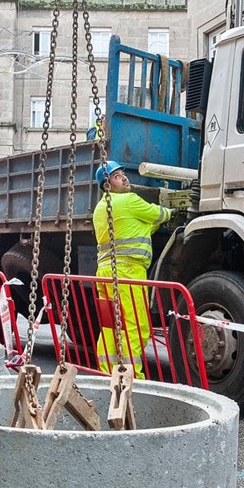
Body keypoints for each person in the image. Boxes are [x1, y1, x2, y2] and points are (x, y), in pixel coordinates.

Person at [92, 161, 173, 378]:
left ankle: (107, 373)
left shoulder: (101, 208)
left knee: (110, 326)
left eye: (122, 173)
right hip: (128, 273)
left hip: (106, 272)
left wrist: (147, 224)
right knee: (135, 326)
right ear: (107, 184)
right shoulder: (129, 200)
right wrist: (173, 211)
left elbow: (139, 225)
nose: (124, 178)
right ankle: (131, 377)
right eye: (117, 176)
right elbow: (158, 215)